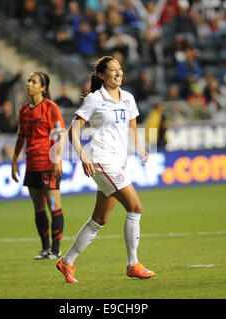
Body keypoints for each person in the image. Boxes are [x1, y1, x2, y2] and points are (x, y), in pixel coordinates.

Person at [56, 56, 155, 283]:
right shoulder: (94, 99)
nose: (118, 72)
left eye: (120, 68)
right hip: (101, 160)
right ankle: (133, 264)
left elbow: (131, 128)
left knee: (99, 218)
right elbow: (73, 131)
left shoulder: (128, 98)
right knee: (135, 207)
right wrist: (83, 157)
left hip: (119, 162)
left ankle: (66, 262)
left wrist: (140, 149)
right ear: (102, 75)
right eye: (112, 70)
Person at [11, 71, 66, 260]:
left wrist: (56, 160)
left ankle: (56, 249)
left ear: (43, 87)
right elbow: (21, 136)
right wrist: (14, 160)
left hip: (48, 163)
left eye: (34, 82)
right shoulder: (23, 111)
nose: (29, 84)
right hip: (31, 164)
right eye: (28, 81)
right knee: (38, 208)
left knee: (53, 205)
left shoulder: (51, 108)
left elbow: (59, 135)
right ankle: (45, 249)